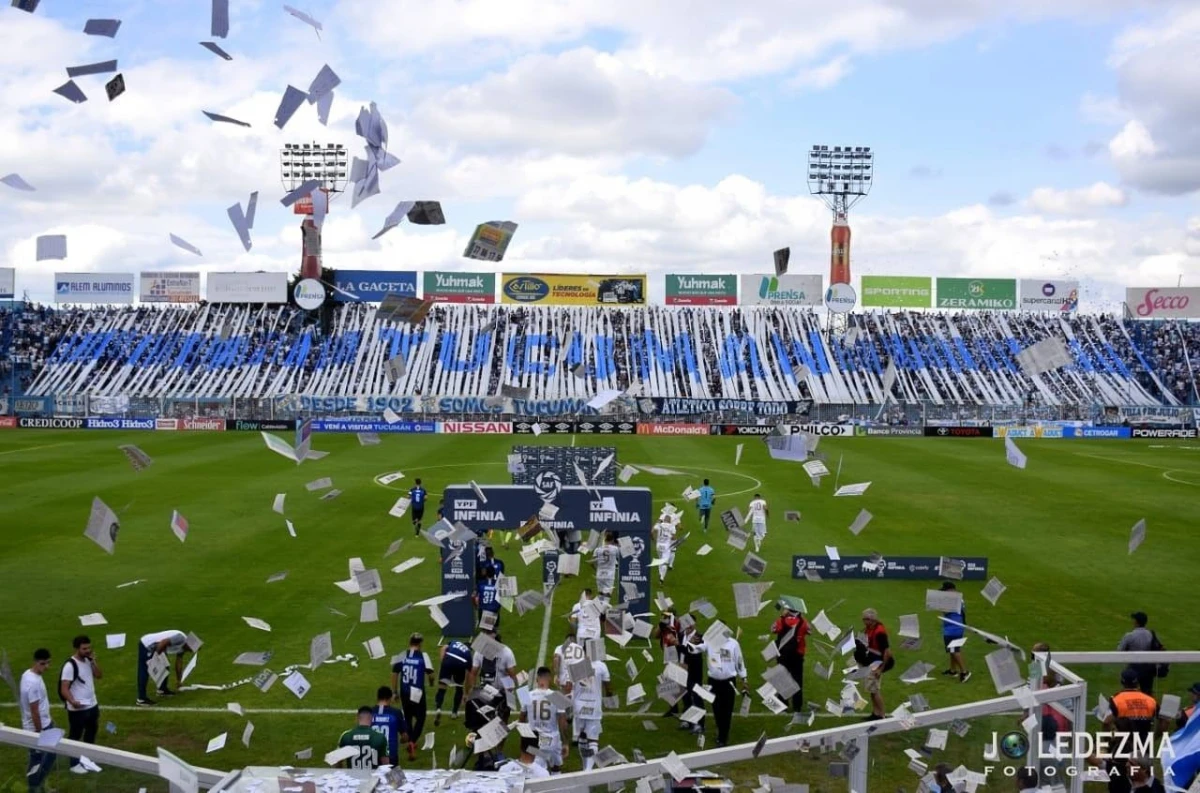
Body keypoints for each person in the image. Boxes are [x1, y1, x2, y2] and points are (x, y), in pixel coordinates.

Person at [60, 635, 102, 775]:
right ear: (77, 648)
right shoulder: (70, 666)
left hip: (92, 704)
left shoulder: (89, 661)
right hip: (78, 708)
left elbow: (99, 675)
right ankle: (74, 764)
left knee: (91, 733)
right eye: (84, 648)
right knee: (75, 736)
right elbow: (64, 688)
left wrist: (93, 662)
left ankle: (87, 760)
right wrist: (72, 701)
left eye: (89, 647)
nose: (88, 650)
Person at [391, 633, 433, 761]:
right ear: (420, 644)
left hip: (404, 692)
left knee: (408, 717)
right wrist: (431, 682)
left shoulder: (401, 655)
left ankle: (410, 739)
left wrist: (394, 692)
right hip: (417, 692)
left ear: (410, 642)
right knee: (421, 718)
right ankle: (412, 742)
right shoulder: (423, 656)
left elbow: (394, 673)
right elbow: (431, 675)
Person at [705, 630, 748, 747]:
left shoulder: (733, 644)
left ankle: (723, 738)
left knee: (727, 710)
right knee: (716, 709)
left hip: (729, 682)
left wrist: (744, 679)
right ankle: (721, 730)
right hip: (713, 682)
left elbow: (739, 661)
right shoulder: (708, 643)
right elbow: (697, 648)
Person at [21, 648, 57, 792]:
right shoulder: (33, 683)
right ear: (35, 662)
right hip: (38, 728)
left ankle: (40, 785)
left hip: (44, 723)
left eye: (48, 663)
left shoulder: (27, 674)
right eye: (43, 664)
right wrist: (39, 732)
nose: (46, 667)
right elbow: (34, 711)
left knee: (47, 756)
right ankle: (35, 787)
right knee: (38, 759)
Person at [523, 667, 569, 772]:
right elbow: (563, 722)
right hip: (552, 740)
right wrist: (565, 742)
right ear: (549, 678)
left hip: (534, 740)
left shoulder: (525, 694)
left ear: (537, 679)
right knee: (556, 767)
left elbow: (521, 720)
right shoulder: (557, 696)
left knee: (537, 770)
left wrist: (524, 740)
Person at [571, 655, 612, 770]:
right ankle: (588, 771)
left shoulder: (575, 664)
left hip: (579, 706)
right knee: (593, 740)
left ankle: (585, 767)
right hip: (594, 706)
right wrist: (610, 697)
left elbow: (569, 686)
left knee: (582, 738)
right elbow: (608, 687)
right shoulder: (601, 666)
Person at [771, 602, 809, 713]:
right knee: (797, 681)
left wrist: (782, 616)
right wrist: (801, 617)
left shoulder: (781, 621)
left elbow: (772, 629)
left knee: (782, 680)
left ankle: (783, 705)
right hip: (797, 656)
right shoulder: (803, 622)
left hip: (783, 655)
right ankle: (797, 707)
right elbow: (810, 631)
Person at [136, 629, 191, 706]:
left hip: (158, 647)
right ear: (188, 644)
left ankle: (162, 689)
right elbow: (163, 642)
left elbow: (179, 663)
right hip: (147, 645)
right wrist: (155, 657)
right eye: (190, 649)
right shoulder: (180, 638)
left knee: (165, 665)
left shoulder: (184, 646)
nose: (188, 651)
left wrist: (179, 680)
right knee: (144, 670)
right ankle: (141, 699)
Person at [860, 608, 894, 720]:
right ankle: (876, 713)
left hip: (878, 664)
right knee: (872, 689)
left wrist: (880, 669)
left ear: (872, 619)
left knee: (875, 691)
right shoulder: (870, 628)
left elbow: (887, 652)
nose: (864, 621)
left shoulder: (880, 633)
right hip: (872, 662)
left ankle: (882, 715)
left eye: (865, 619)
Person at [1117, 612, 1160, 695]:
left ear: (1136, 622)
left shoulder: (1129, 636)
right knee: (1147, 693)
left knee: (1130, 692)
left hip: (1133, 668)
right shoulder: (1150, 634)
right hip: (1148, 668)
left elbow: (1119, 651)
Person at [433, 639, 473, 727]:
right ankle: (454, 713)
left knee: (442, 687)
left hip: (448, 660)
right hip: (460, 663)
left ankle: (438, 708)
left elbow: (443, 648)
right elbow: (469, 676)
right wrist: (466, 693)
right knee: (459, 687)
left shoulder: (454, 642)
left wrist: (443, 662)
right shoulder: (468, 654)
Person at [370, 686, 410, 768]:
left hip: (372, 755)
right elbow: (405, 737)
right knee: (394, 776)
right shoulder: (396, 713)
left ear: (377, 698)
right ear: (390, 698)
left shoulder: (369, 712)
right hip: (391, 756)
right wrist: (402, 740)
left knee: (373, 776)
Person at [940, 582, 971, 683]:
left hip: (953, 628)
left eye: (945, 590)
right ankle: (953, 670)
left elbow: (945, 612)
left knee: (954, 650)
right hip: (956, 626)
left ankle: (964, 672)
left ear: (951, 590)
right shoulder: (958, 597)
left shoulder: (953, 599)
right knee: (952, 649)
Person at [552, 629, 585, 694]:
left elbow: (556, 660)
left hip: (563, 680)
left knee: (564, 697)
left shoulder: (560, 648)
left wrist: (556, 675)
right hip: (577, 682)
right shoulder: (581, 649)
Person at [475, 566, 502, 630]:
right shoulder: (498, 583)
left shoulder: (480, 583)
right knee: (493, 631)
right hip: (494, 610)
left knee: (485, 630)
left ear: (485, 573)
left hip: (483, 610)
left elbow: (476, 598)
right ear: (494, 573)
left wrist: (477, 606)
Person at [594, 533, 619, 598]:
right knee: (607, 595)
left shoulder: (598, 549)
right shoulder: (615, 549)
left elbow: (593, 562)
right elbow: (620, 557)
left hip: (600, 574)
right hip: (609, 575)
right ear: (612, 540)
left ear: (605, 539)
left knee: (601, 594)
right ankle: (604, 604)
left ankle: (600, 604)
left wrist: (596, 569)